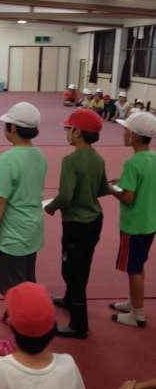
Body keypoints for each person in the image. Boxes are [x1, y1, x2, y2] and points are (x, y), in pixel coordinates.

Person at [0, 102, 47, 353]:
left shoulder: (8, 159)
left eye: (7, 124)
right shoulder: (40, 156)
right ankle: (15, 315)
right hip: (33, 230)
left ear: (13, 128)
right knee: (27, 280)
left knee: (13, 289)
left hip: (12, 233)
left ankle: (19, 339)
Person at [45, 109, 109, 339]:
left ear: (77, 132)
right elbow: (103, 189)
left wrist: (51, 207)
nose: (66, 132)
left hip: (76, 224)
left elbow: (65, 195)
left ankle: (79, 325)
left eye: (68, 129)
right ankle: (70, 299)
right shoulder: (98, 158)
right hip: (95, 221)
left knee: (72, 271)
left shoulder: (70, 161)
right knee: (82, 265)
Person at [108, 112, 156, 328]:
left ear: (135, 136)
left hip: (133, 225)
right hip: (149, 223)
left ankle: (138, 315)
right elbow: (143, 183)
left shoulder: (133, 163)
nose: (123, 133)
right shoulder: (153, 158)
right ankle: (133, 302)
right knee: (139, 264)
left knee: (133, 269)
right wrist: (121, 181)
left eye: (126, 130)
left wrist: (110, 188)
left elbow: (128, 197)